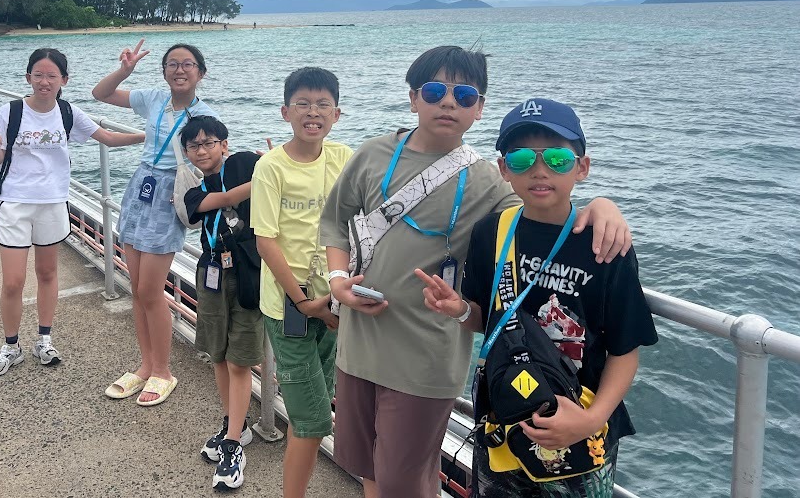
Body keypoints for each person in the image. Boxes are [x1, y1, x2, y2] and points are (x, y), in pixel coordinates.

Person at [321, 46, 634, 498]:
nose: (448, 102)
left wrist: (602, 206)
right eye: (434, 91)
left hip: (426, 356)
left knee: (403, 481)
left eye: (464, 95)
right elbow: (336, 220)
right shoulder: (373, 155)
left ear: (479, 108)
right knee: (366, 466)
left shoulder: (490, 179)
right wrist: (337, 281)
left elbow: (544, 208)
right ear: (413, 98)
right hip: (358, 343)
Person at [418, 97, 658, 497]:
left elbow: (625, 349)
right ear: (504, 169)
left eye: (558, 159)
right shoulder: (491, 233)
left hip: (580, 424)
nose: (540, 170)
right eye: (522, 159)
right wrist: (459, 310)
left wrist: (591, 419)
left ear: (582, 167)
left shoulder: (603, 244)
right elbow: (486, 319)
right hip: (505, 417)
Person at [0, 48, 144, 377]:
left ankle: (44, 340)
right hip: (15, 203)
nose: (44, 81)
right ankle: (11, 346)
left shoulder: (67, 112)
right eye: (38, 75)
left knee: (48, 273)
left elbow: (107, 138)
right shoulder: (11, 112)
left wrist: (150, 137)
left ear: (64, 80)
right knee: (13, 282)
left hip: (52, 202)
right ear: (28, 77)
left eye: (52, 75)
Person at [93, 39, 218, 406]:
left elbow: (213, 159)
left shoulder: (204, 116)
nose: (180, 70)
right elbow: (101, 94)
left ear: (200, 72)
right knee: (136, 288)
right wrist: (125, 70)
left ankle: (163, 371)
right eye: (172, 64)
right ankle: (145, 365)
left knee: (150, 290)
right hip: (141, 186)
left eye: (188, 64)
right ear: (164, 71)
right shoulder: (153, 99)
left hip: (169, 194)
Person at [251, 67, 352, 498]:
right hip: (288, 306)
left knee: (316, 404)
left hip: (332, 300)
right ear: (285, 112)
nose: (313, 112)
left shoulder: (344, 158)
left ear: (337, 113)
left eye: (323, 104)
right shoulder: (271, 166)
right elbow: (266, 241)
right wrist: (303, 301)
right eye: (303, 104)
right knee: (313, 420)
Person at [180, 116, 263, 491]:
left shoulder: (245, 162)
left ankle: (233, 443)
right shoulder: (193, 192)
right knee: (217, 354)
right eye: (194, 145)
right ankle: (236, 425)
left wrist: (276, 165)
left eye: (209, 142)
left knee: (239, 359)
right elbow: (228, 200)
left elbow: (284, 170)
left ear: (224, 144)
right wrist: (268, 177)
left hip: (248, 273)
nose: (202, 150)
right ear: (187, 152)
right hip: (212, 272)